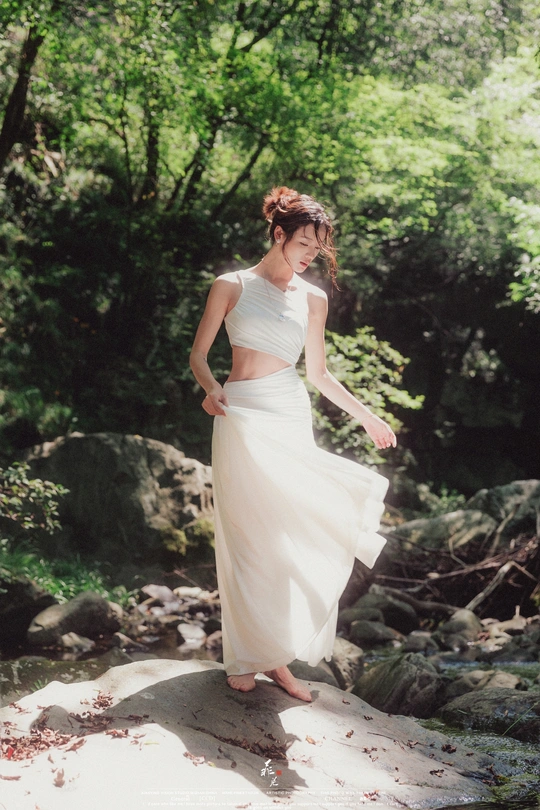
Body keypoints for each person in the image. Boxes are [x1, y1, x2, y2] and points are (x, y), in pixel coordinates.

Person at [189, 186, 396, 703]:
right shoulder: (231, 285)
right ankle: (248, 656)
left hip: (288, 412)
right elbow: (198, 356)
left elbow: (319, 375)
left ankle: (277, 660)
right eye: (303, 243)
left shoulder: (313, 298)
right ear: (278, 234)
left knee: (287, 534)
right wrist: (211, 389)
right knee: (246, 535)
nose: (310, 255)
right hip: (239, 413)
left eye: (317, 249)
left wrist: (367, 416)